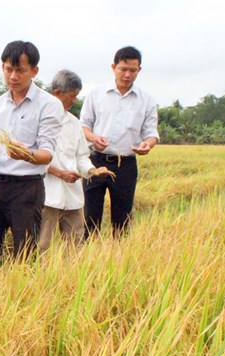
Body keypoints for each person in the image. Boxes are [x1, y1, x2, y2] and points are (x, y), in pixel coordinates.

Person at [0, 40, 63, 265]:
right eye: (8, 69)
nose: (13, 76)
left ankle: (22, 296)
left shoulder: (49, 105)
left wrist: (27, 156)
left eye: (20, 70)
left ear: (34, 71)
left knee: (24, 255)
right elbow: (0, 143)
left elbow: (47, 153)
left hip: (27, 188)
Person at [80, 46, 159, 238]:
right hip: (95, 162)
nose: (127, 74)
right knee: (90, 216)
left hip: (125, 165)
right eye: (123, 69)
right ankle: (87, 259)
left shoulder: (146, 99)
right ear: (113, 67)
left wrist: (147, 144)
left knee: (122, 219)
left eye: (133, 70)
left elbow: (151, 133)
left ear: (139, 70)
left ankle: (118, 259)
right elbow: (83, 126)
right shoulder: (96, 94)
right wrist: (93, 138)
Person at [37, 70, 112, 252]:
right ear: (57, 93)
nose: (75, 100)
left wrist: (93, 171)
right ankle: (38, 278)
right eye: (72, 96)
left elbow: (80, 156)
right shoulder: (39, 118)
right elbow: (33, 156)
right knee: (42, 244)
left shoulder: (74, 122)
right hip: (48, 193)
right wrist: (59, 173)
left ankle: (72, 279)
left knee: (76, 243)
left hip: (72, 193)